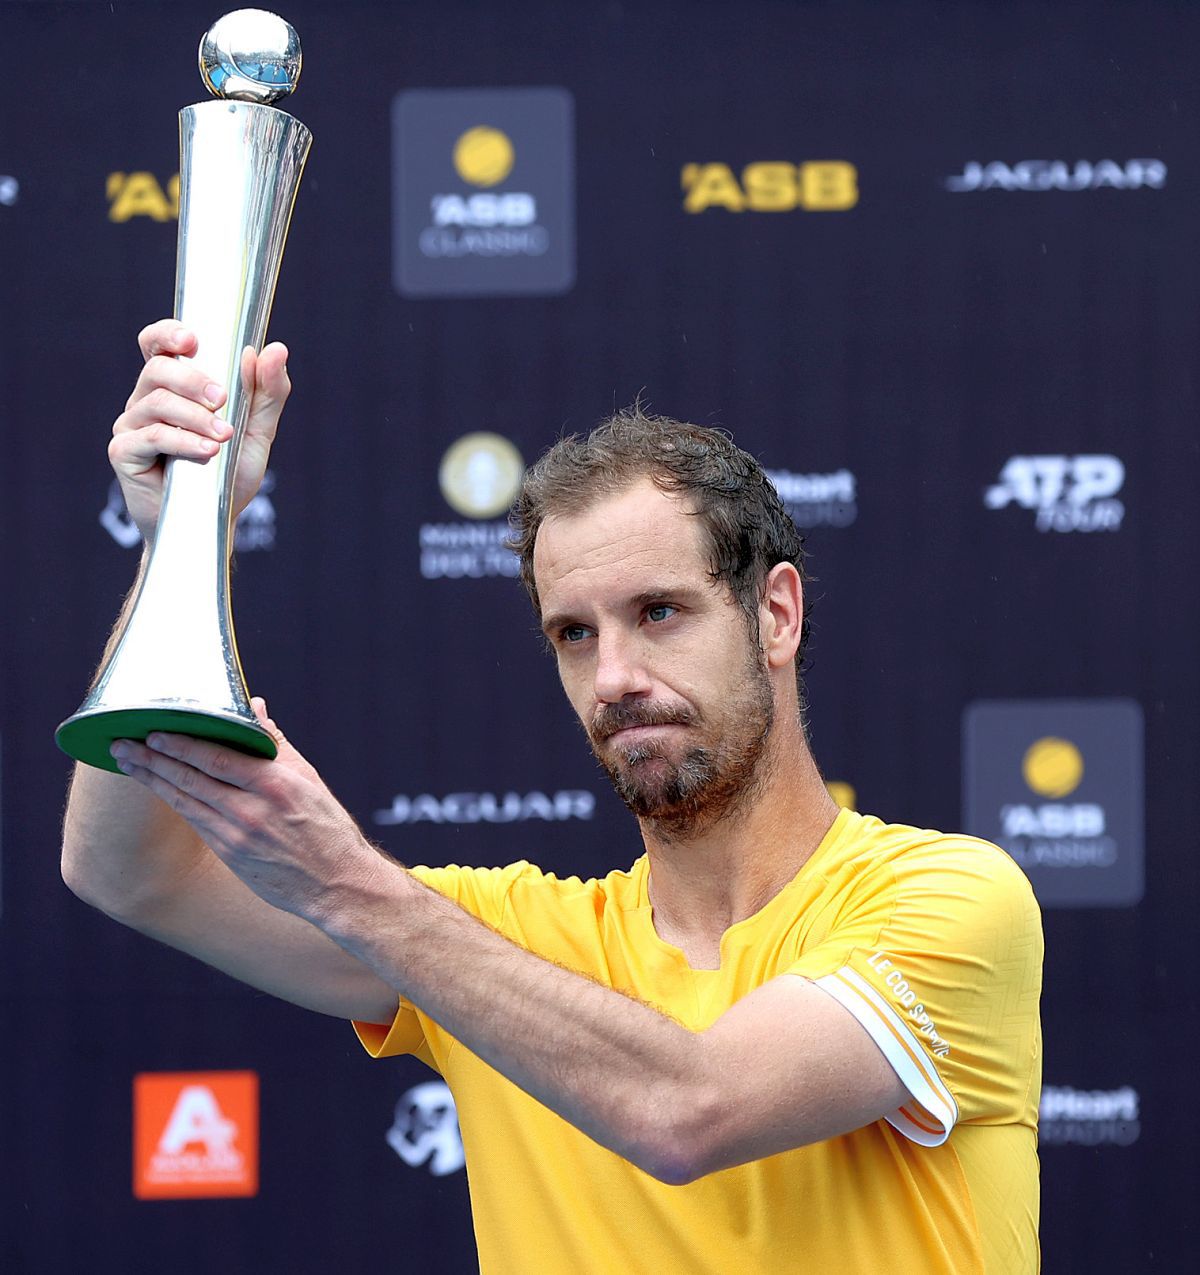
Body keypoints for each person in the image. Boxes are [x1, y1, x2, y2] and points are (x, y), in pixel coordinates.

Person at [62, 321, 1043, 1275]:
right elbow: (129, 872)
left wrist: (344, 882)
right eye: (574, 633)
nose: (613, 675)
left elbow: (692, 1109)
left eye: (659, 613)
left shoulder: (951, 900)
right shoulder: (500, 944)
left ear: (774, 614)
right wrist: (182, 543)